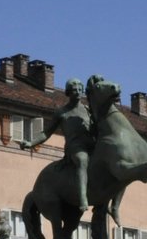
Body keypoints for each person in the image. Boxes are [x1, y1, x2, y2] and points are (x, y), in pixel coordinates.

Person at [21, 77, 94, 209]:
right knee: (82, 160)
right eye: (74, 90)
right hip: (76, 147)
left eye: (79, 89)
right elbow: (46, 133)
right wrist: (31, 143)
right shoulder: (61, 112)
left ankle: (113, 205)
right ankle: (83, 198)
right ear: (68, 93)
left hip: (92, 144)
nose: (78, 92)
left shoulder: (88, 110)